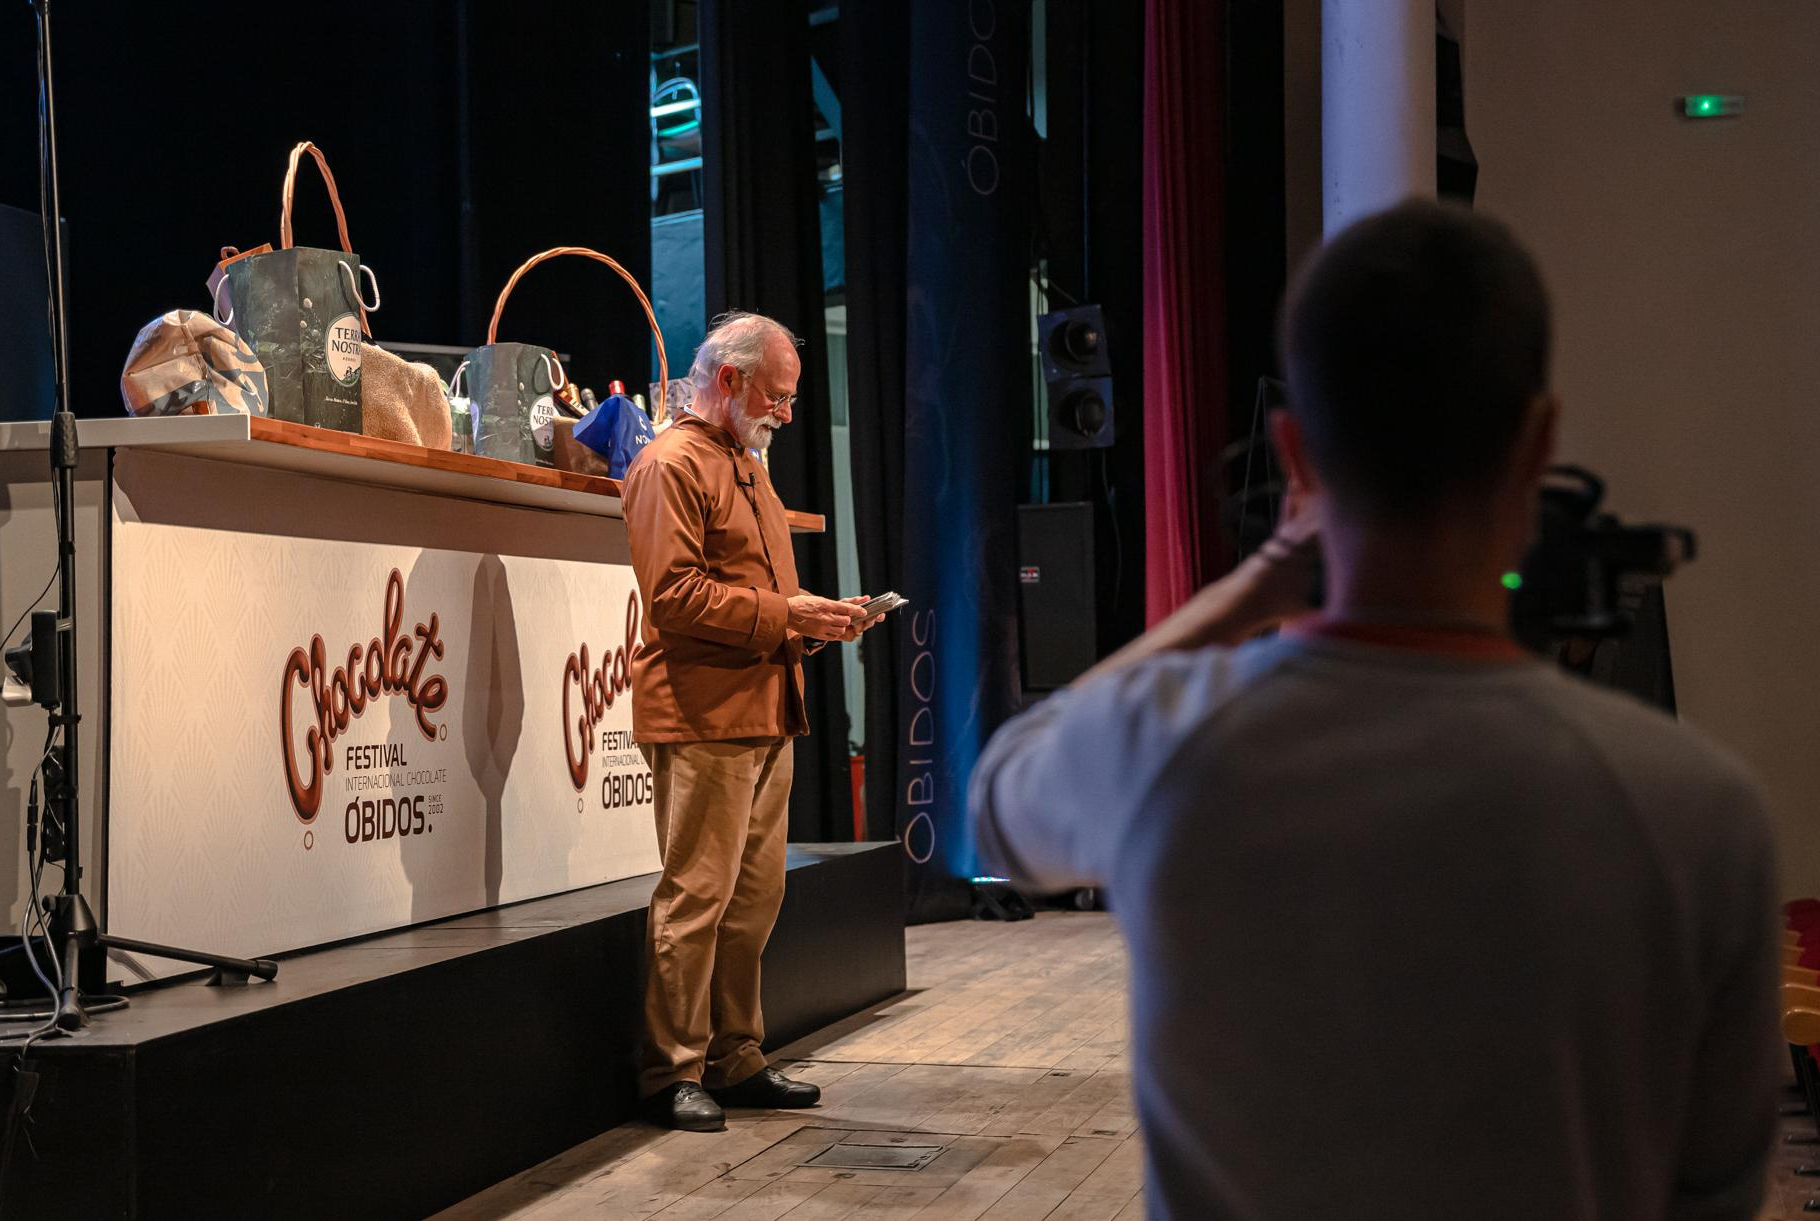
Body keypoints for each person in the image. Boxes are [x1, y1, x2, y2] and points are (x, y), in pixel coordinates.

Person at [969, 201, 1778, 1220]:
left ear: (1294, 455)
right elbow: (1713, 1190)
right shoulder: (1701, 812)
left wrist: (1254, 583)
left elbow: (1000, 797)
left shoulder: (1161, 744)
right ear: (1538, 442)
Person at [622, 311, 881, 1132]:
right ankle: (671, 1072)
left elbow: (760, 597)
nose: (787, 411)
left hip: (767, 708)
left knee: (755, 897)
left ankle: (735, 1056)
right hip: (703, 712)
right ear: (728, 379)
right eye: (778, 394)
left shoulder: (746, 463)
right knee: (697, 893)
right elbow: (674, 597)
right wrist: (786, 611)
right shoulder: (670, 464)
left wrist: (818, 619)